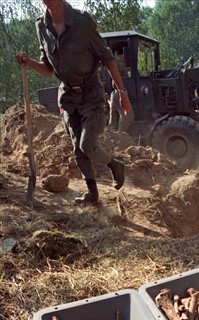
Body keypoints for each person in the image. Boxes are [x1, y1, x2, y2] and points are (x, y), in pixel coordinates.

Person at [16, 0, 132, 205]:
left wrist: (122, 92)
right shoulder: (41, 26)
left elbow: (107, 58)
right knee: (78, 150)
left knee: (87, 144)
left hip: (92, 95)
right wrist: (30, 62)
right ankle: (92, 194)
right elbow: (49, 68)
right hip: (68, 98)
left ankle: (115, 165)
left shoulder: (82, 22)